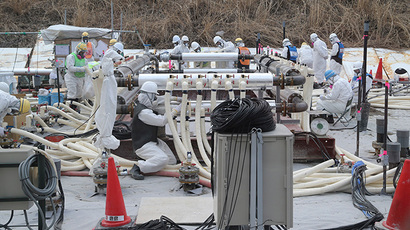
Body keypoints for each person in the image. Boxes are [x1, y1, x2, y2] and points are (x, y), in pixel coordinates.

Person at [130, 81, 180, 180]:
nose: (155, 99)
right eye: (154, 97)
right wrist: (175, 111)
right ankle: (138, 167)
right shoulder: (143, 112)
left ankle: (157, 166)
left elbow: (158, 104)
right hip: (143, 145)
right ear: (149, 96)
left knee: (171, 161)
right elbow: (161, 121)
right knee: (163, 159)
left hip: (152, 141)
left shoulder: (140, 104)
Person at [64, 42, 91, 108]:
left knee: (79, 94)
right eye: (81, 52)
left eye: (83, 52)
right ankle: (71, 109)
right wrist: (82, 69)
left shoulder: (84, 59)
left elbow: (87, 67)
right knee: (72, 93)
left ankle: (76, 108)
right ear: (78, 51)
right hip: (71, 78)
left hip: (80, 78)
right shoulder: (71, 57)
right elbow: (70, 68)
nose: (82, 54)